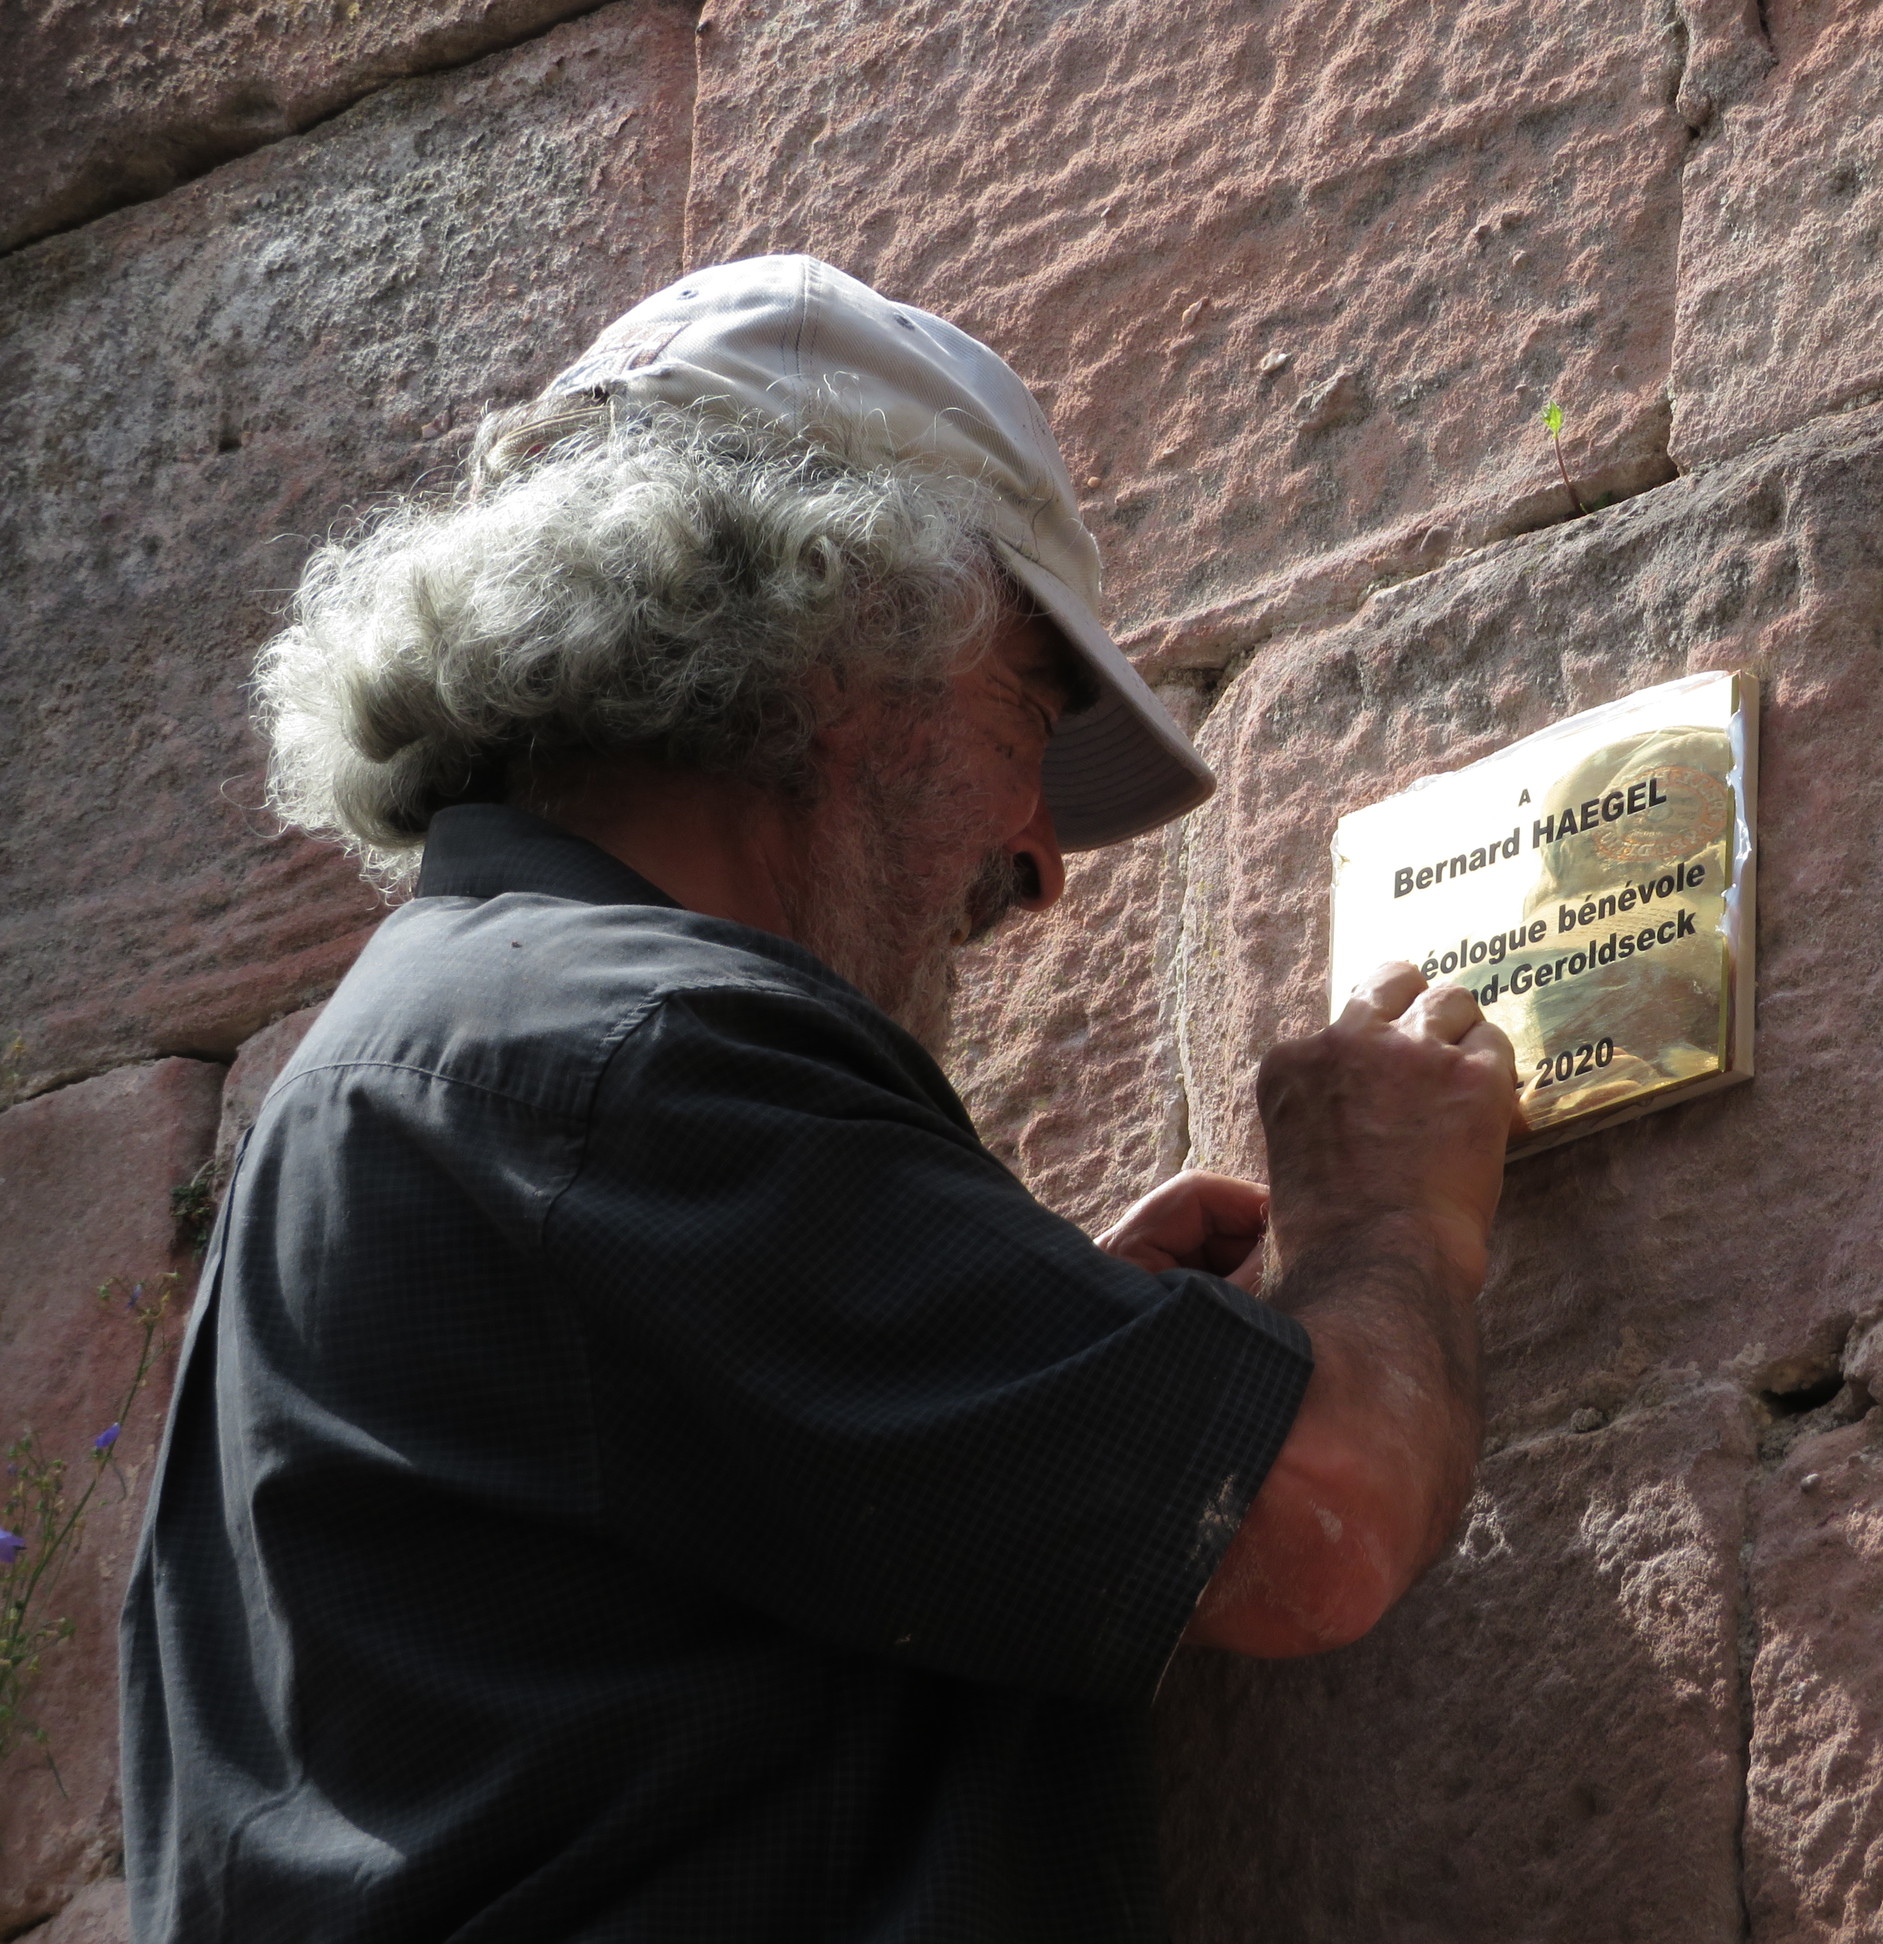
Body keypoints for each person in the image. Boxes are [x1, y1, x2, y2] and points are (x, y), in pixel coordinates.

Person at [120, 255, 1518, 1942]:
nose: (1039, 859)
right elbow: (1322, 1517)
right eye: (1031, 715)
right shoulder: (622, 1063)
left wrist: (1041, 1369)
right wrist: (1385, 1224)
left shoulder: (462, 1053)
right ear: (838, 643)